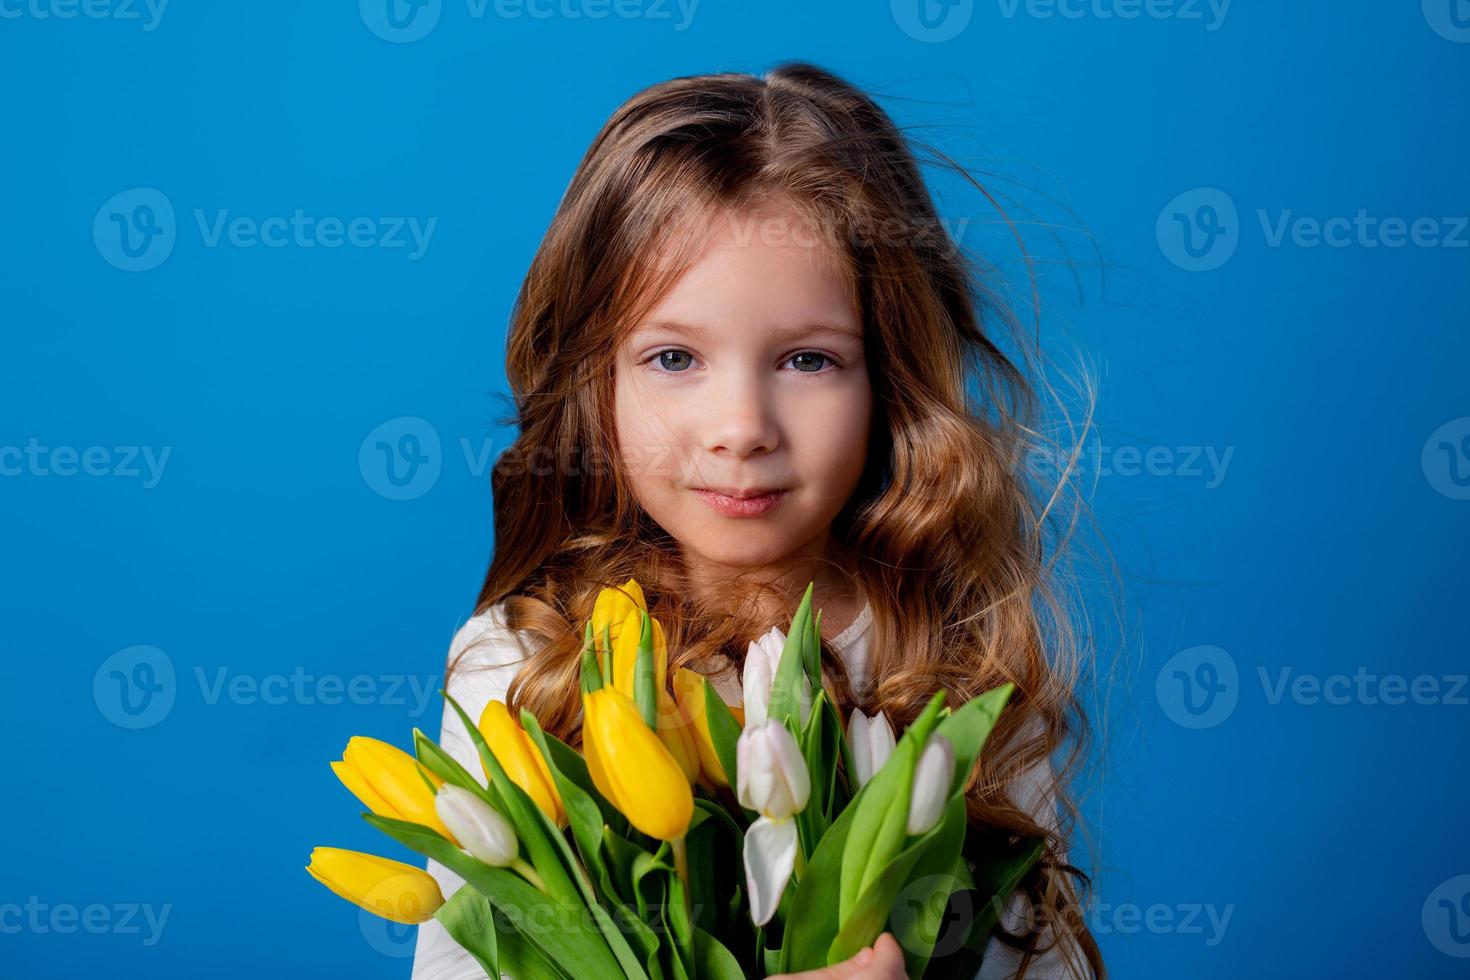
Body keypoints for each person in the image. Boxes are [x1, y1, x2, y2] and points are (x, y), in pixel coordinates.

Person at [412, 61, 1104, 980]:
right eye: (671, 357)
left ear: (889, 382)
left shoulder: (958, 670)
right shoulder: (521, 670)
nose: (741, 428)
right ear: (597, 379)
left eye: (809, 361)